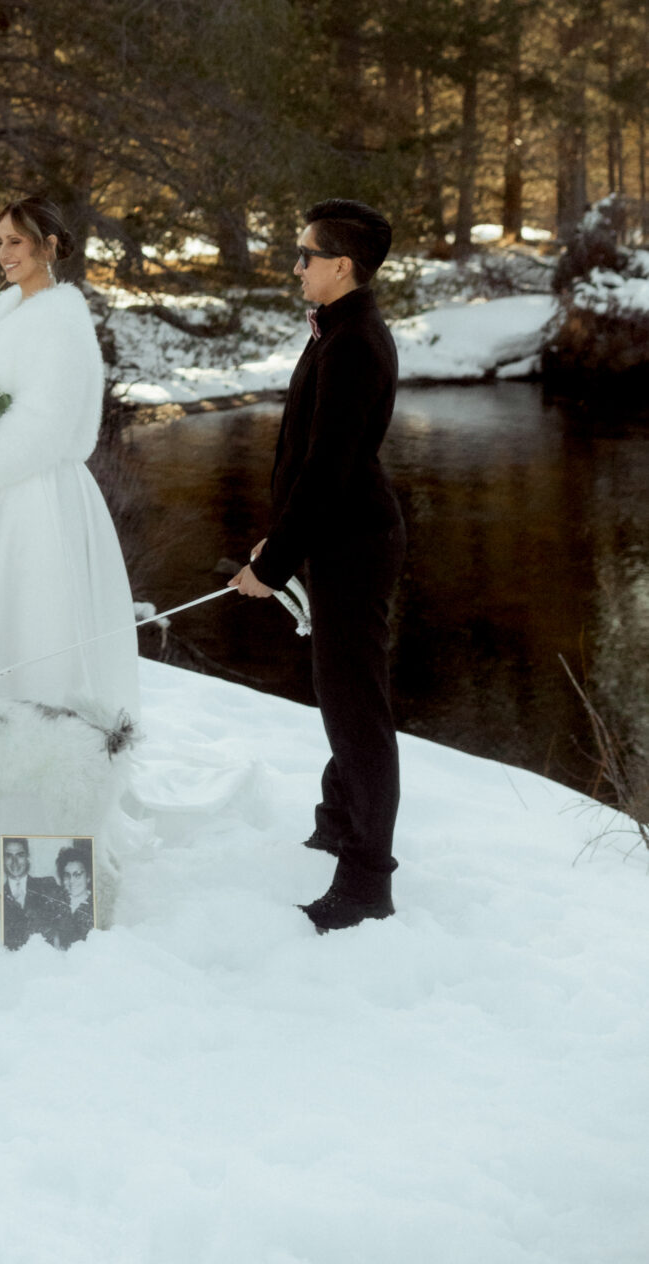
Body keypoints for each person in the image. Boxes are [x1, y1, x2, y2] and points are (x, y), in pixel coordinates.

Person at [230, 198, 405, 932]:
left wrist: (274, 562)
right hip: (334, 538)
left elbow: (327, 470)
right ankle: (336, 821)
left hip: (354, 543)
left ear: (340, 265)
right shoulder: (335, 330)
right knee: (340, 692)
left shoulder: (355, 342)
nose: (294, 265)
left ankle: (366, 880)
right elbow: (306, 460)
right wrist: (278, 545)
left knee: (355, 706)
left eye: (304, 254)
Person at [0, 199, 138, 726]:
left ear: (50, 247)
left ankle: (37, 755)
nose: (3, 253)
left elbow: (46, 425)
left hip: (36, 497)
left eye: (15, 241)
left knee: (32, 623)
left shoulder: (59, 318)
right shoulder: (6, 310)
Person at [0, 835, 63, 950]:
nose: (15, 862)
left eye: (20, 855)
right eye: (9, 856)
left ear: (28, 857)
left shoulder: (47, 886)